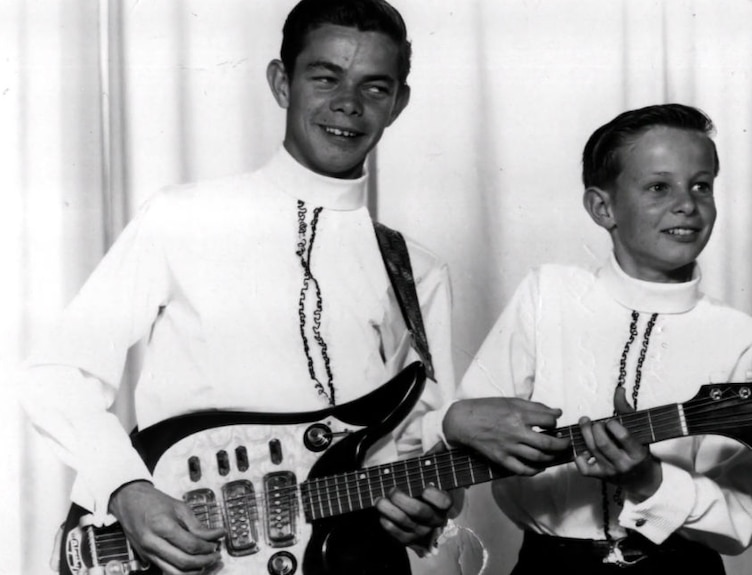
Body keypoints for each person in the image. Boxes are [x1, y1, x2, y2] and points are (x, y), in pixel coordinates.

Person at [16, 0, 456, 573]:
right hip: (200, 553)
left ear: (399, 103)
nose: (348, 104)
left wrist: (431, 512)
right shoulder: (183, 217)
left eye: (375, 88)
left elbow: (424, 446)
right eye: (325, 77)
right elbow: (58, 371)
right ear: (281, 82)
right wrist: (125, 488)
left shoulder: (417, 269)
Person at [442, 104, 752, 573]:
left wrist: (652, 482)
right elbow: (469, 436)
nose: (687, 203)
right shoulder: (546, 294)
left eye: (701, 185)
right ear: (603, 207)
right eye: (659, 187)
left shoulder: (739, 337)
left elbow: (742, 520)